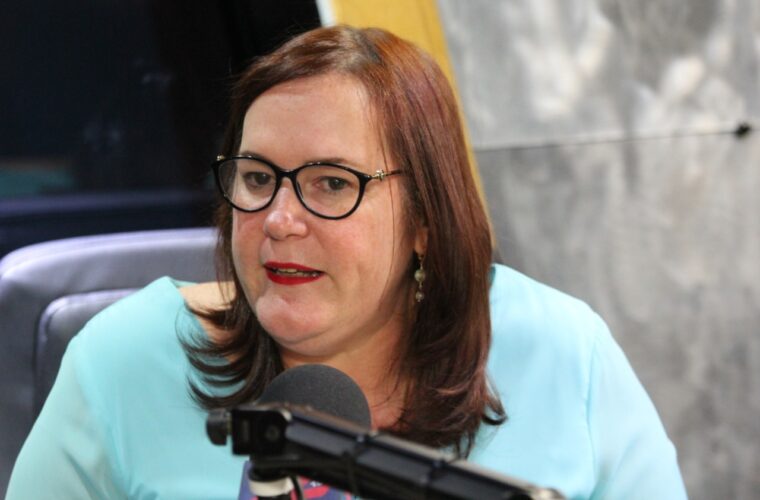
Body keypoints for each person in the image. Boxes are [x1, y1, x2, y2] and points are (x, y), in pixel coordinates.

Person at [6, 26, 687, 499]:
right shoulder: (123, 363)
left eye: (332, 183)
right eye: (257, 178)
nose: (279, 219)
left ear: (424, 220)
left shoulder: (565, 356)